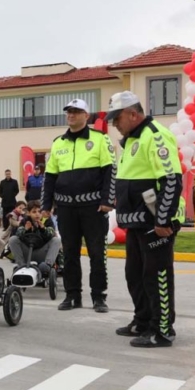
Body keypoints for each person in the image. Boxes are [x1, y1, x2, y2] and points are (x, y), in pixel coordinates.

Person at [106, 91, 182, 348]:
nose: (115, 123)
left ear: (133, 114)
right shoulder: (130, 140)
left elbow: (171, 179)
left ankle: (162, 330)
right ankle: (143, 320)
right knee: (134, 274)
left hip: (155, 222)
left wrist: (163, 220)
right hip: (137, 221)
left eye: (117, 118)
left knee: (156, 275)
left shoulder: (156, 136)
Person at [41, 99, 115, 312]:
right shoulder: (58, 143)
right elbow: (50, 177)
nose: (71, 115)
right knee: (70, 254)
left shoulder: (100, 139)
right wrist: (46, 205)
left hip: (93, 207)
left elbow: (111, 171)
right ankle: (72, 296)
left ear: (86, 115)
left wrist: (107, 201)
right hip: (66, 209)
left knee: (97, 253)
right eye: (69, 112)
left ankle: (99, 297)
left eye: (76, 112)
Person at [7, 201, 61, 273]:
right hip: (27, 251)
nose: (37, 214)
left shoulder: (47, 221)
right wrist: (25, 229)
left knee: (56, 240)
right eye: (34, 212)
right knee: (13, 239)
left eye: (39, 212)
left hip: (42, 252)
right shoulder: (25, 221)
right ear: (29, 213)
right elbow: (18, 234)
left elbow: (51, 234)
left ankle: (47, 265)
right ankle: (21, 265)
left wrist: (43, 229)